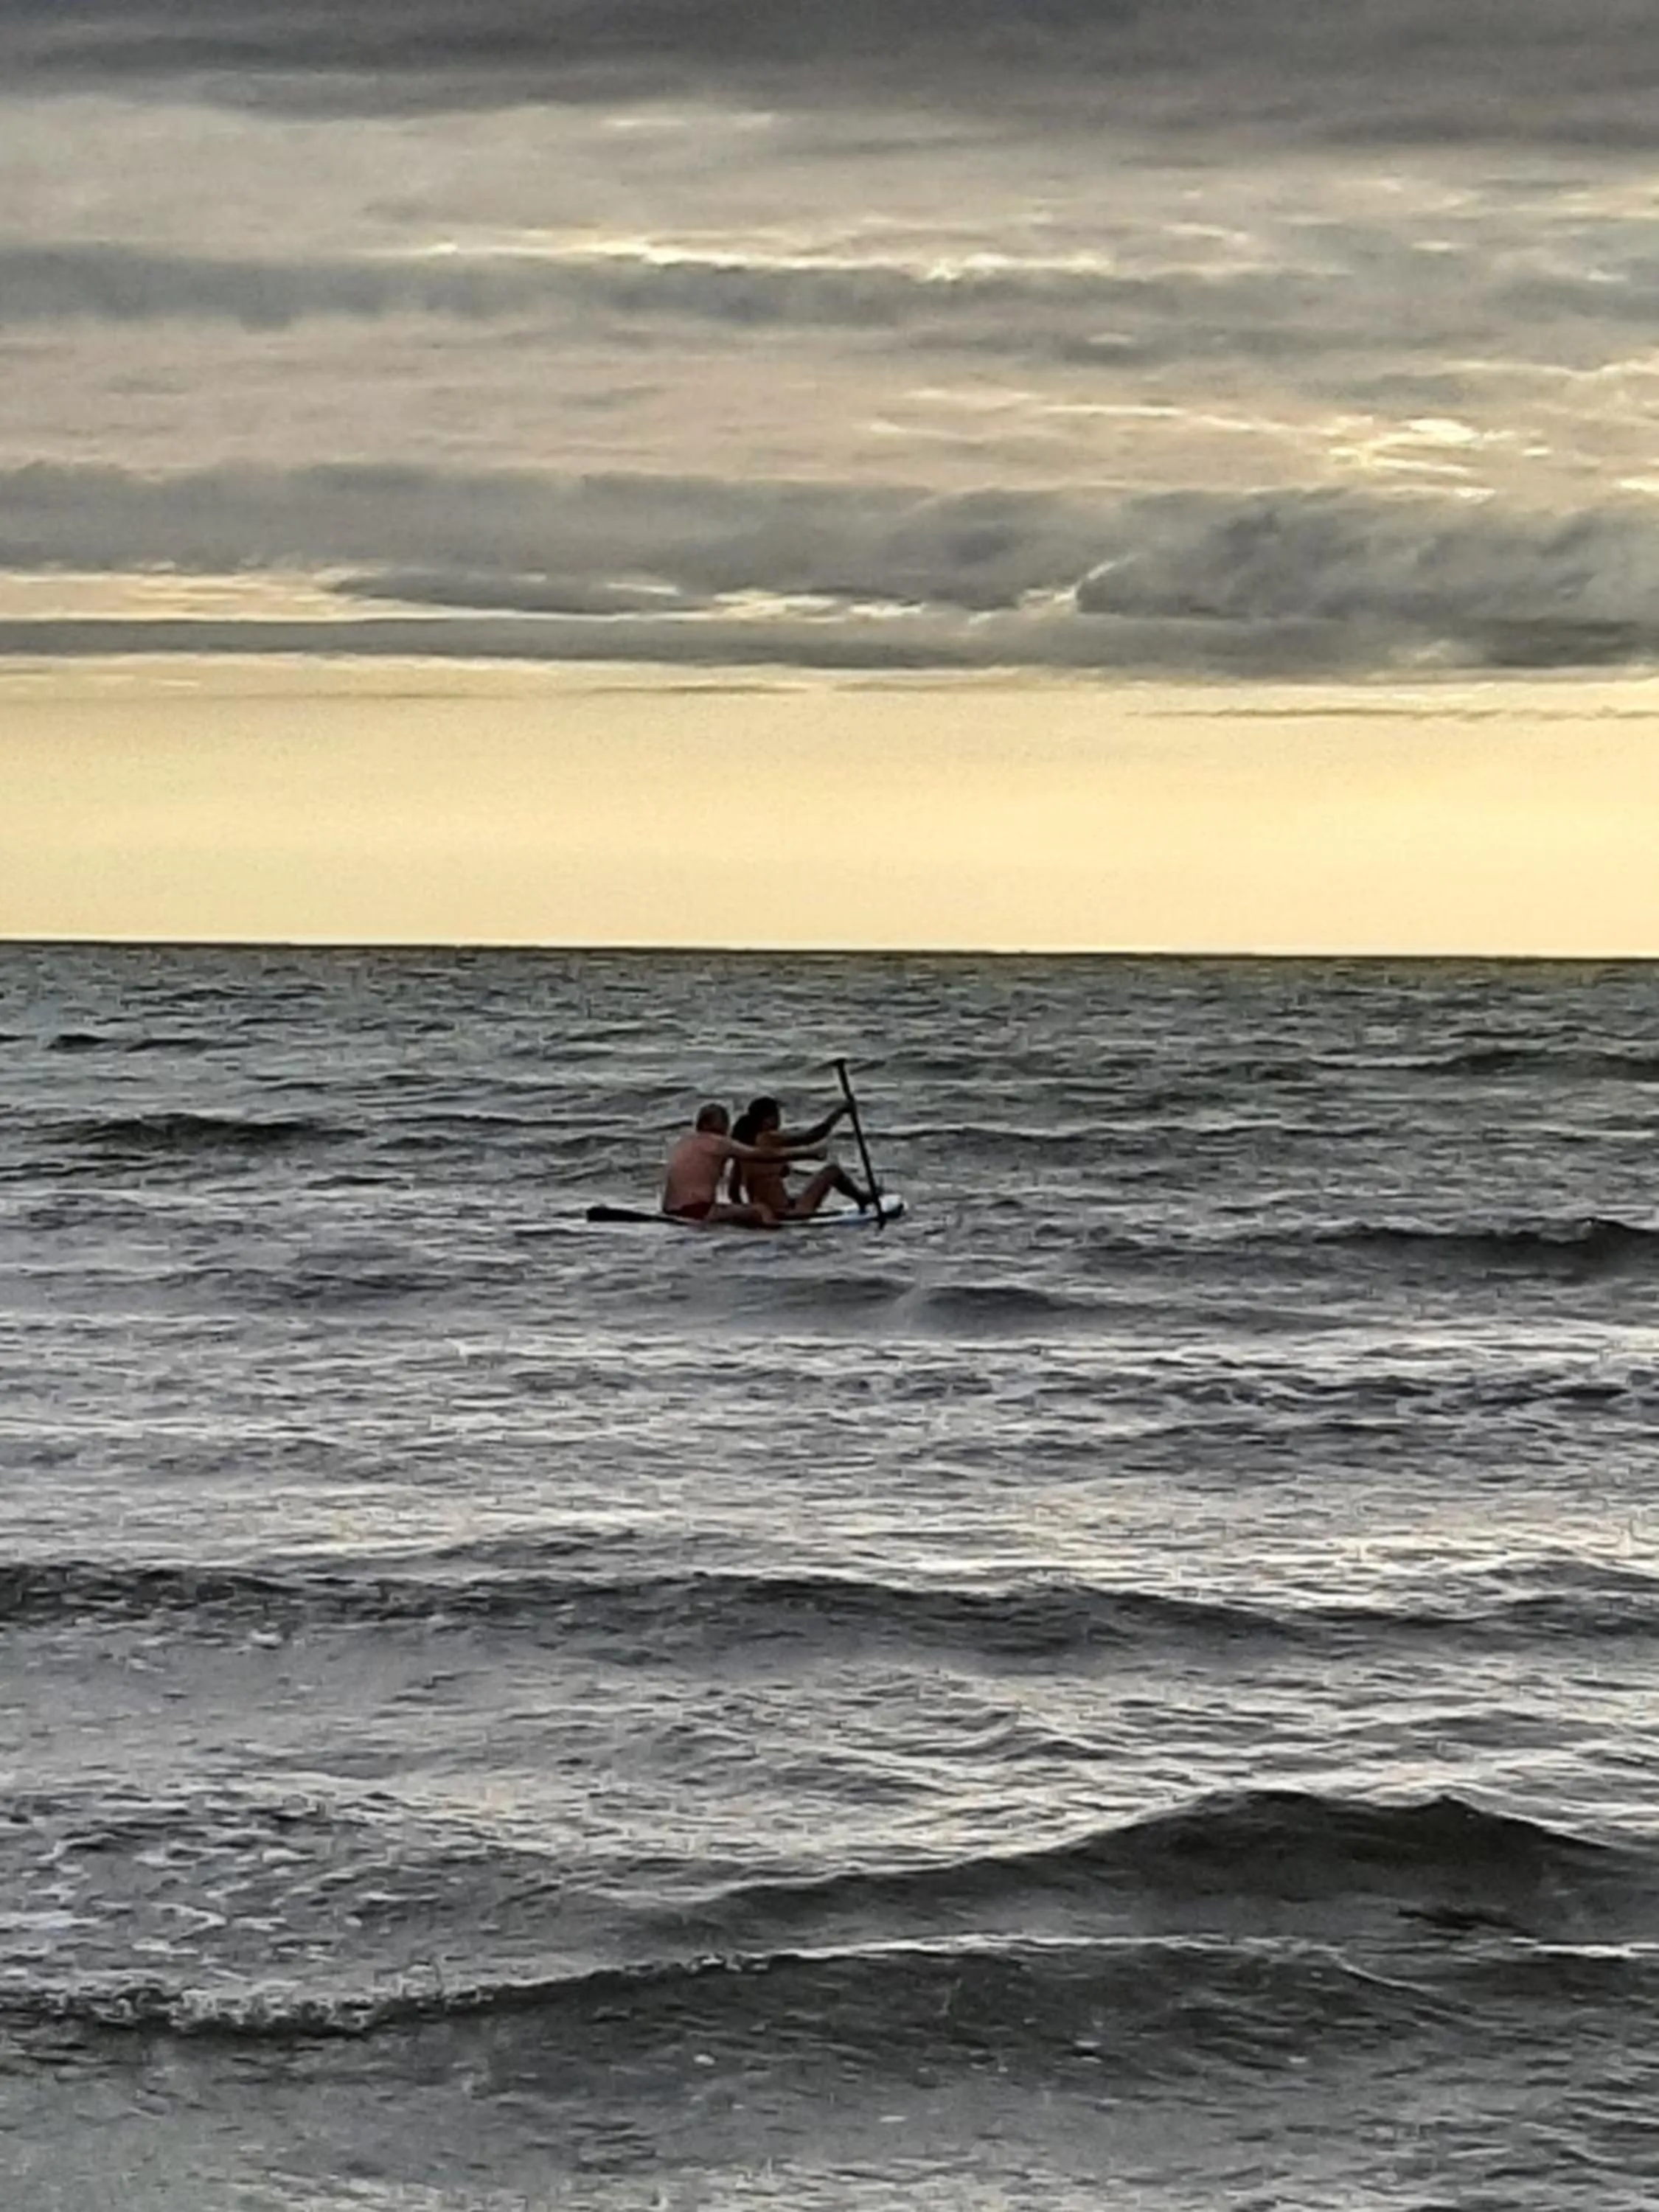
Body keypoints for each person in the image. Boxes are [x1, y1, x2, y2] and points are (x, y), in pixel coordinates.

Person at [660, 1102, 829, 1227]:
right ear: (707, 1124)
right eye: (724, 1121)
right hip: (697, 1211)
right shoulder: (718, 1142)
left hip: (669, 1210)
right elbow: (760, 1155)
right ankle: (778, 1251)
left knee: (745, 1211)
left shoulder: (683, 1142)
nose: (727, 1127)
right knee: (761, 1211)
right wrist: (808, 1154)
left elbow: (734, 1189)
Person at [726, 1095, 872, 1220]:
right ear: (768, 1119)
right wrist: (840, 1112)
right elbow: (814, 1135)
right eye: (777, 1116)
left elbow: (733, 1193)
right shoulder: (768, 1137)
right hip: (790, 1213)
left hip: (766, 1212)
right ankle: (862, 1199)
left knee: (795, 1196)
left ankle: (862, 1198)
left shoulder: (742, 1150)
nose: (779, 1121)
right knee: (832, 1171)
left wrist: (749, 1213)